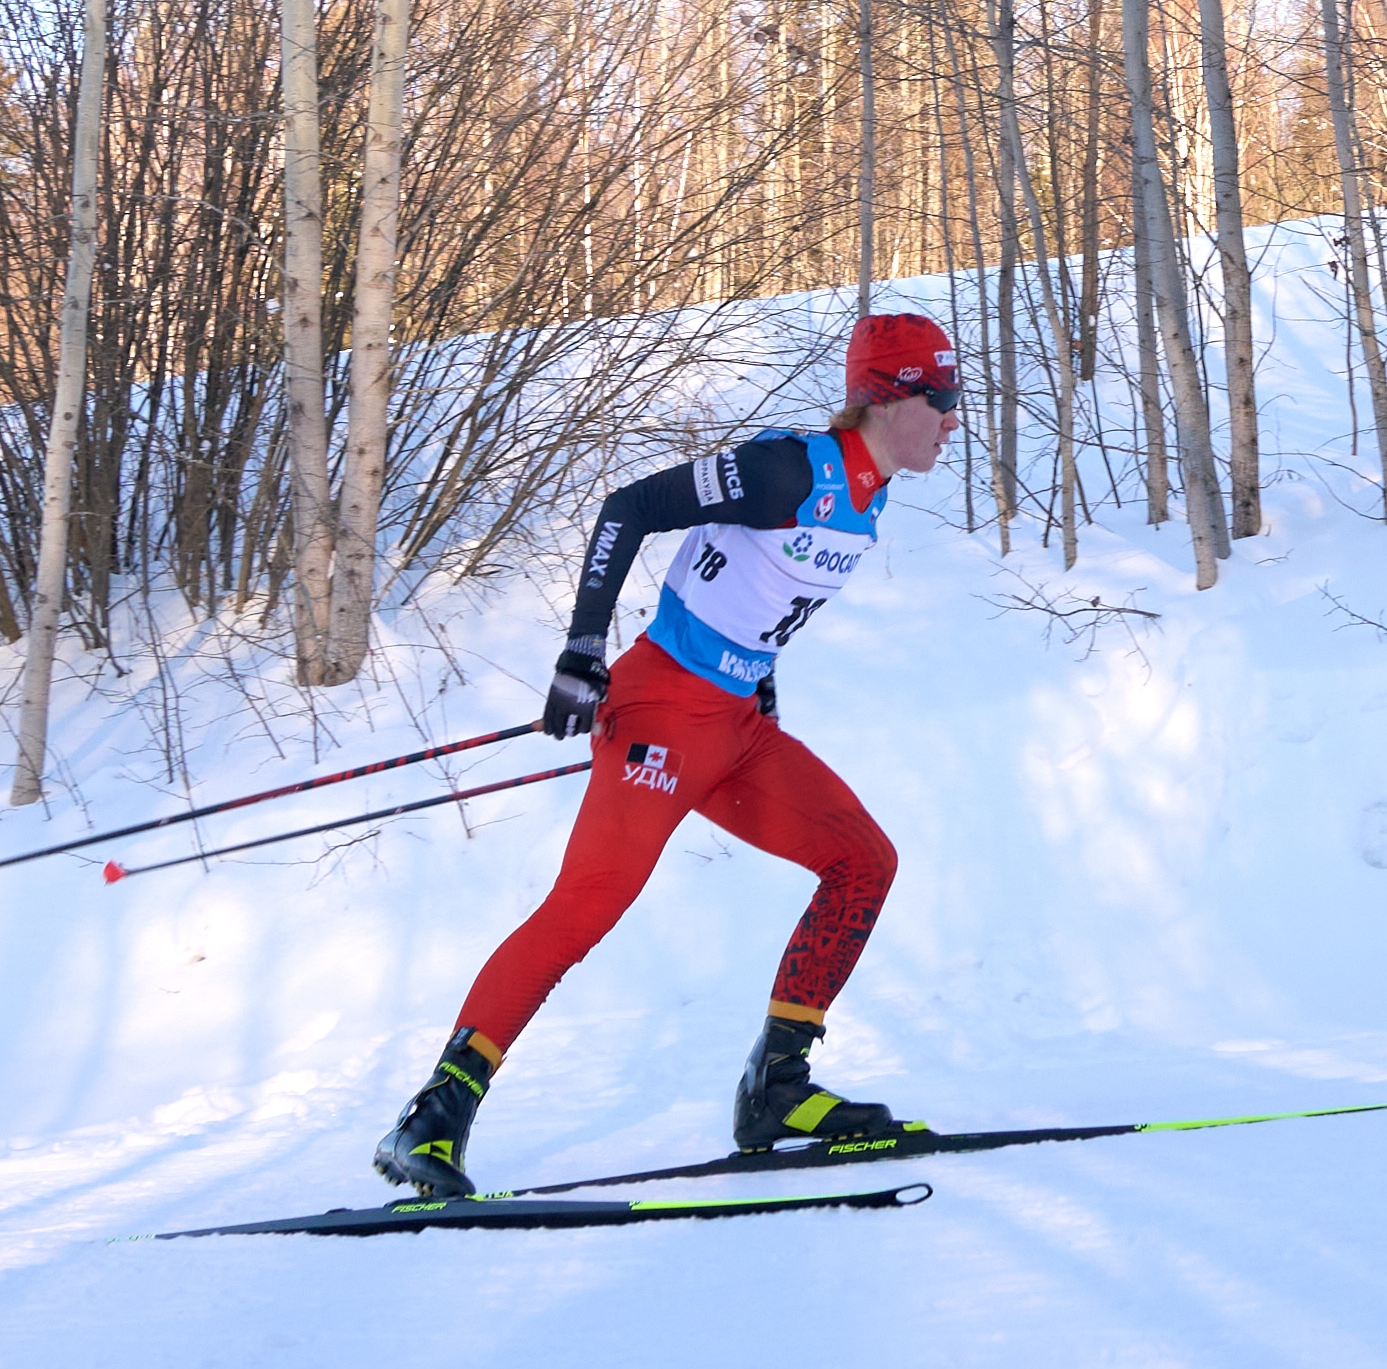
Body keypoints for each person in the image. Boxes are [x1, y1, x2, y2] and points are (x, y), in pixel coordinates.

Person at [372, 313, 964, 1197]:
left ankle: (777, 1088)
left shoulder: (870, 493)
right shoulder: (788, 470)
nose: (953, 417)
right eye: (941, 396)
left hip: (736, 724)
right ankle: (431, 1116)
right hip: (661, 710)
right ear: (887, 396)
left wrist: (760, 673)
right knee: (588, 903)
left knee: (862, 861)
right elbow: (632, 508)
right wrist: (582, 651)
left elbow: (746, 579)